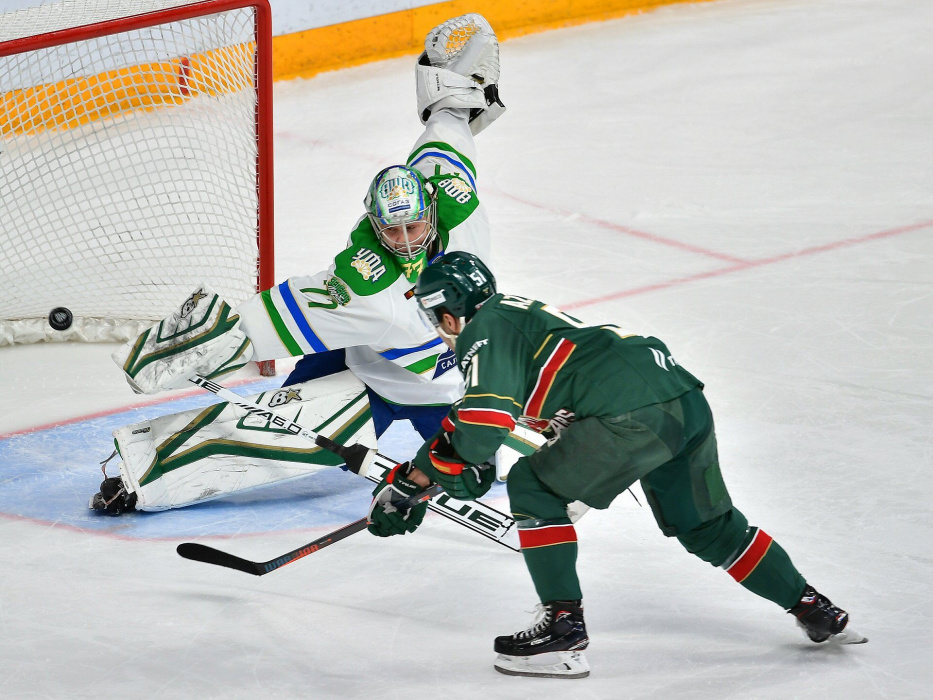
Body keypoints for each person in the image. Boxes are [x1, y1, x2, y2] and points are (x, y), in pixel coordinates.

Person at [367, 251, 866, 679]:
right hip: (681, 398)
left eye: (436, 319)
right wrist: (417, 476)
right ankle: (813, 608)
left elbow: (479, 429)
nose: (440, 330)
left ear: (448, 312)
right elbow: (476, 424)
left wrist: (417, 483)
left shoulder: (483, 330)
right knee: (708, 527)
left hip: (630, 414)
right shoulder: (514, 316)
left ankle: (563, 631)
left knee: (533, 486)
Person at [91, 14, 508, 514]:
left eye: (413, 227)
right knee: (271, 430)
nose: (403, 241)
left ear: (432, 214)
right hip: (368, 370)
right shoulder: (362, 286)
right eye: (389, 230)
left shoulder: (457, 205)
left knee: (506, 467)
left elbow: (449, 129)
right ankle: (137, 477)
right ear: (373, 224)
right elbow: (270, 320)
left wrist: (451, 96)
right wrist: (181, 347)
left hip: (447, 391)